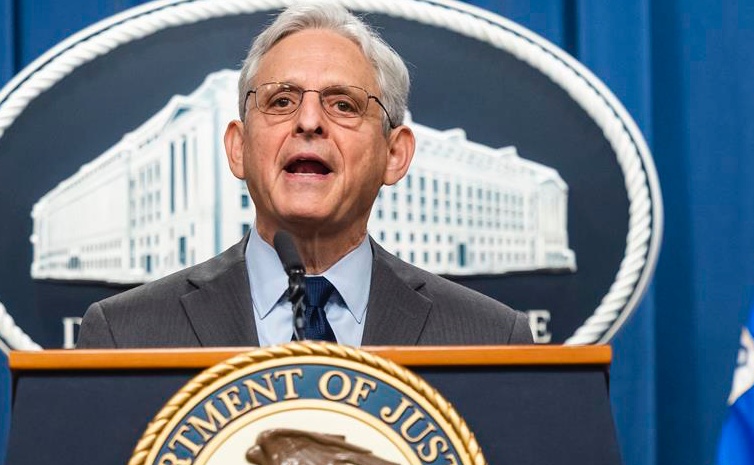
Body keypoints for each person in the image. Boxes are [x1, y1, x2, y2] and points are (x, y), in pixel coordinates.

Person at [78, 1, 533, 348]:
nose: (309, 121)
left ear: (394, 154)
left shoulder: (492, 337)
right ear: (238, 148)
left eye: (343, 104)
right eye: (281, 101)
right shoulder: (124, 333)